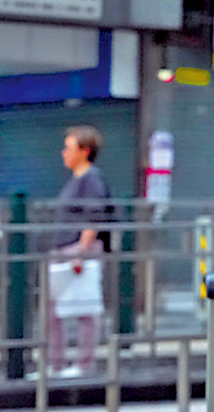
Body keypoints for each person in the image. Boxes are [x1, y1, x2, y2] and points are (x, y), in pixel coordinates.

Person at [48, 125, 111, 378]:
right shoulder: (77, 179)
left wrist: (81, 253)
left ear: (85, 151)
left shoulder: (91, 180)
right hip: (66, 248)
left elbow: (93, 217)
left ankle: (83, 365)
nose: (63, 153)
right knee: (54, 309)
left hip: (79, 249)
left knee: (85, 308)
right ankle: (57, 363)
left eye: (68, 147)